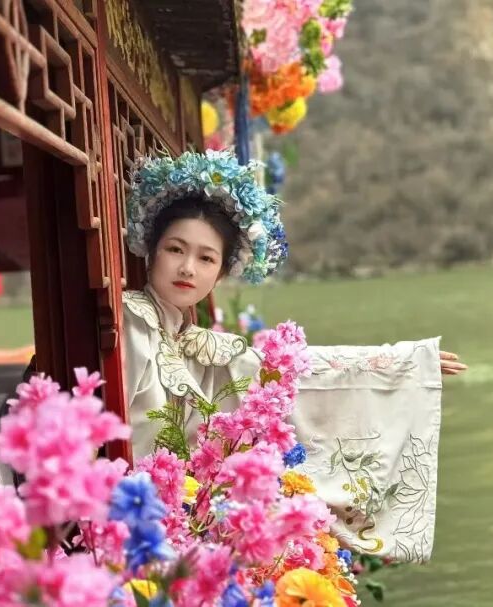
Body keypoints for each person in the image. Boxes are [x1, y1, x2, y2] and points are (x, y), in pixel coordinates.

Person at [119, 150, 466, 563]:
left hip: (166, 527)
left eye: (206, 258)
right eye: (175, 249)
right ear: (152, 251)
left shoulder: (190, 341)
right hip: (126, 519)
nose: (188, 268)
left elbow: (284, 373)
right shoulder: (132, 319)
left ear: (221, 273)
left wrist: (402, 366)